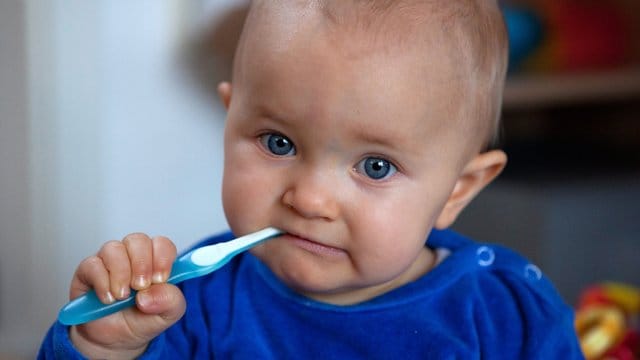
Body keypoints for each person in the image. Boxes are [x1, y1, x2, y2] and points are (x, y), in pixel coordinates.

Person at [39, 0, 584, 358]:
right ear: (231, 121)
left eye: (376, 166)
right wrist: (105, 345)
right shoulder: (187, 304)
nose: (310, 198)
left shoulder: (506, 317)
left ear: (457, 191)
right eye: (279, 143)